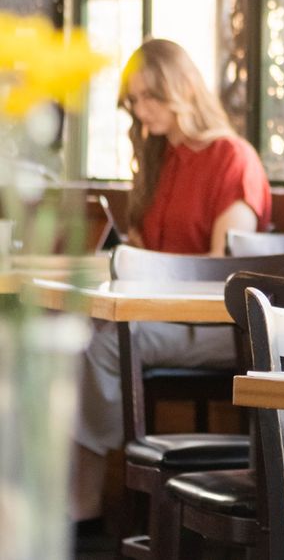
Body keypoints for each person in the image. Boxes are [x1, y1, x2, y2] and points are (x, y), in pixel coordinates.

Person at [71, 38, 272, 526]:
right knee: (64, 333)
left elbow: (222, 272)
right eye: (134, 100)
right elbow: (139, 254)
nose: (140, 110)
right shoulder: (159, 159)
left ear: (182, 88)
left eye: (149, 97)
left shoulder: (231, 158)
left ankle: (83, 497)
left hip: (224, 328)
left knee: (102, 346)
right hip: (162, 318)